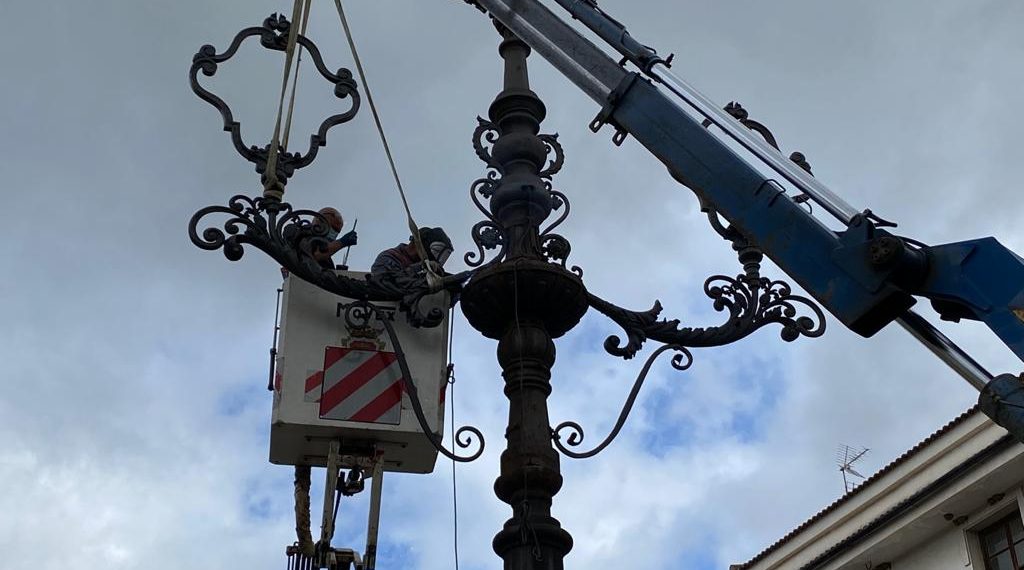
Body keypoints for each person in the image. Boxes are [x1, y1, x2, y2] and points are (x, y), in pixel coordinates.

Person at [371, 227, 453, 279]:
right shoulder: (388, 258)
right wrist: (420, 267)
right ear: (417, 243)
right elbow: (386, 283)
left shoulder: (422, 270)